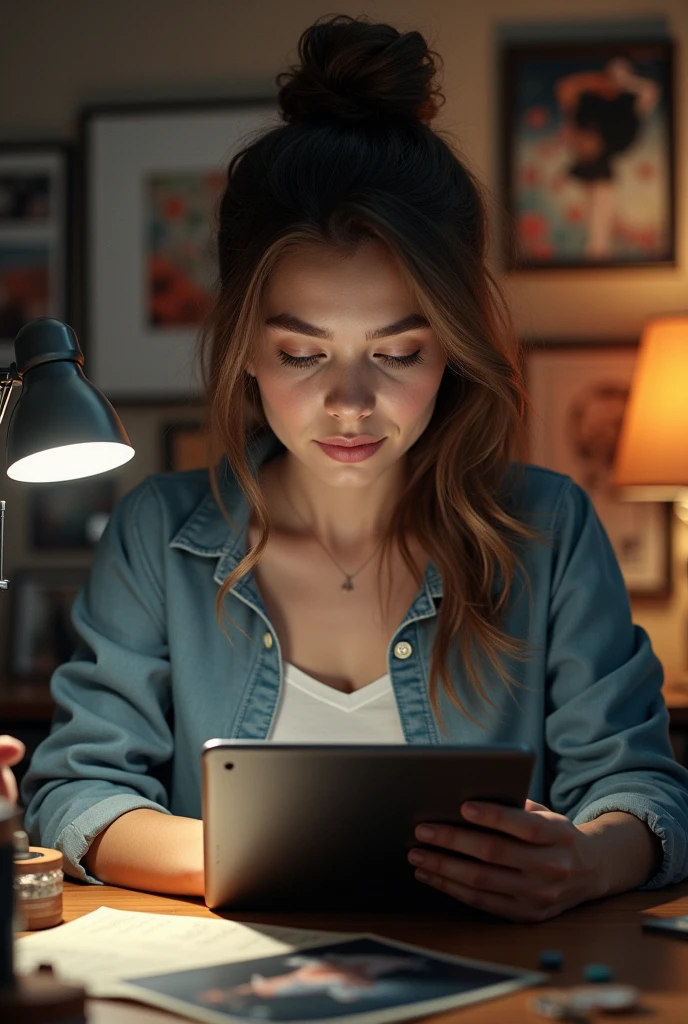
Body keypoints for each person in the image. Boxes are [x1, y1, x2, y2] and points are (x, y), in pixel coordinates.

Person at [20, 14, 688, 922]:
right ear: (245, 351)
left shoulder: (548, 528)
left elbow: (642, 785)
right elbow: (77, 791)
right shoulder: (161, 535)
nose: (349, 404)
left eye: (399, 353)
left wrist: (589, 858)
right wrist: (266, 854)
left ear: (452, 350)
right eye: (302, 355)